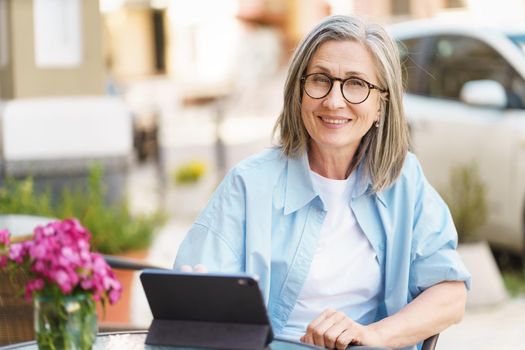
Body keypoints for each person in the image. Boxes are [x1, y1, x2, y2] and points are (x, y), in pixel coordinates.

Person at [174, 15, 471, 350]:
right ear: (299, 92)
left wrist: (373, 335)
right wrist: (201, 298)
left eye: (357, 84)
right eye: (320, 80)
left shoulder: (404, 181)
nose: (333, 100)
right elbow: (193, 301)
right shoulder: (249, 185)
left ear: (380, 106)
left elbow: (450, 294)